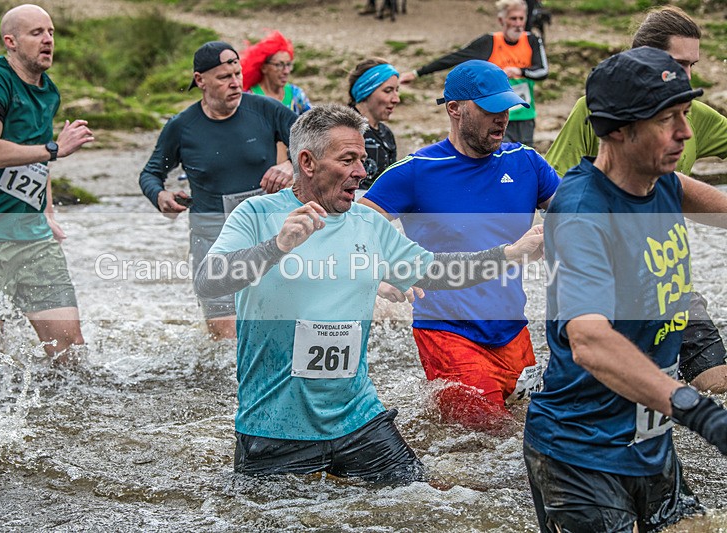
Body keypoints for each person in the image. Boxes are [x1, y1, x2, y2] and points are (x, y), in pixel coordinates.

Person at [194, 104, 545, 483]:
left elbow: (436, 270)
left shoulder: (366, 223)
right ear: (307, 162)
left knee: (420, 499)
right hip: (275, 425)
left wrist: (509, 254)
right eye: (348, 160)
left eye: (361, 160)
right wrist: (276, 247)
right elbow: (209, 281)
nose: (362, 171)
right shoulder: (256, 214)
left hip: (358, 419)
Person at [524, 47, 727, 532]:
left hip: (649, 441)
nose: (685, 132)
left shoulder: (663, 181)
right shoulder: (583, 212)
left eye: (685, 114)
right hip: (580, 455)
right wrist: (698, 411)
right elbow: (589, 341)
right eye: (667, 119)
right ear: (617, 129)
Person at [360, 60, 560, 431]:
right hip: (447, 332)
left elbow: (579, 214)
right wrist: (380, 272)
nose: (502, 118)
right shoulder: (415, 171)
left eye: (507, 108)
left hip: (513, 330)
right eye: (490, 109)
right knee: (488, 438)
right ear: (455, 109)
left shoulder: (527, 163)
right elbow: (353, 229)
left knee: (529, 431)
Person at [545, 6, 727, 394]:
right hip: (607, 287)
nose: (686, 76)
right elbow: (553, 189)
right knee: (609, 386)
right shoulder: (598, 111)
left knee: (716, 383)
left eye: (692, 65)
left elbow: (684, 192)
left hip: (667, 281)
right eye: (678, 63)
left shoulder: (692, 122)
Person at [0, 4, 94, 366]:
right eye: (37, 33)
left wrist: (47, 211)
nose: (48, 40)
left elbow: (38, 160)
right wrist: (55, 149)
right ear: (10, 41)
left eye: (51, 32)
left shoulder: (49, 91)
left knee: (70, 348)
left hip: (33, 236)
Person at [139, 41, 298, 341]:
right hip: (211, 233)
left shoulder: (265, 110)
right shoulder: (182, 127)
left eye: (237, 74)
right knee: (224, 333)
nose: (235, 83)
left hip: (265, 227)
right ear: (200, 80)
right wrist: (160, 195)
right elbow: (151, 173)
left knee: (276, 322)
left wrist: (290, 165)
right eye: (224, 77)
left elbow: (314, 146)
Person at [400, 0, 548, 146]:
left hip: (525, 114)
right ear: (501, 20)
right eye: (513, 19)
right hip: (495, 114)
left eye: (521, 18)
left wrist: (519, 71)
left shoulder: (532, 40)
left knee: (523, 157)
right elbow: (455, 57)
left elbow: (543, 71)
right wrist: (417, 73)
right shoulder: (489, 42)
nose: (518, 24)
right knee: (498, 155)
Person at [347, 58, 400, 194]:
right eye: (388, 91)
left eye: (396, 90)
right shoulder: (343, 129)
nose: (396, 99)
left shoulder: (386, 133)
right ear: (366, 91)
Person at [239, 30, 311, 116]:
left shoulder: (296, 95)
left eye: (288, 64)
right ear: (264, 67)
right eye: (279, 65)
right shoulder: (249, 98)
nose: (286, 71)